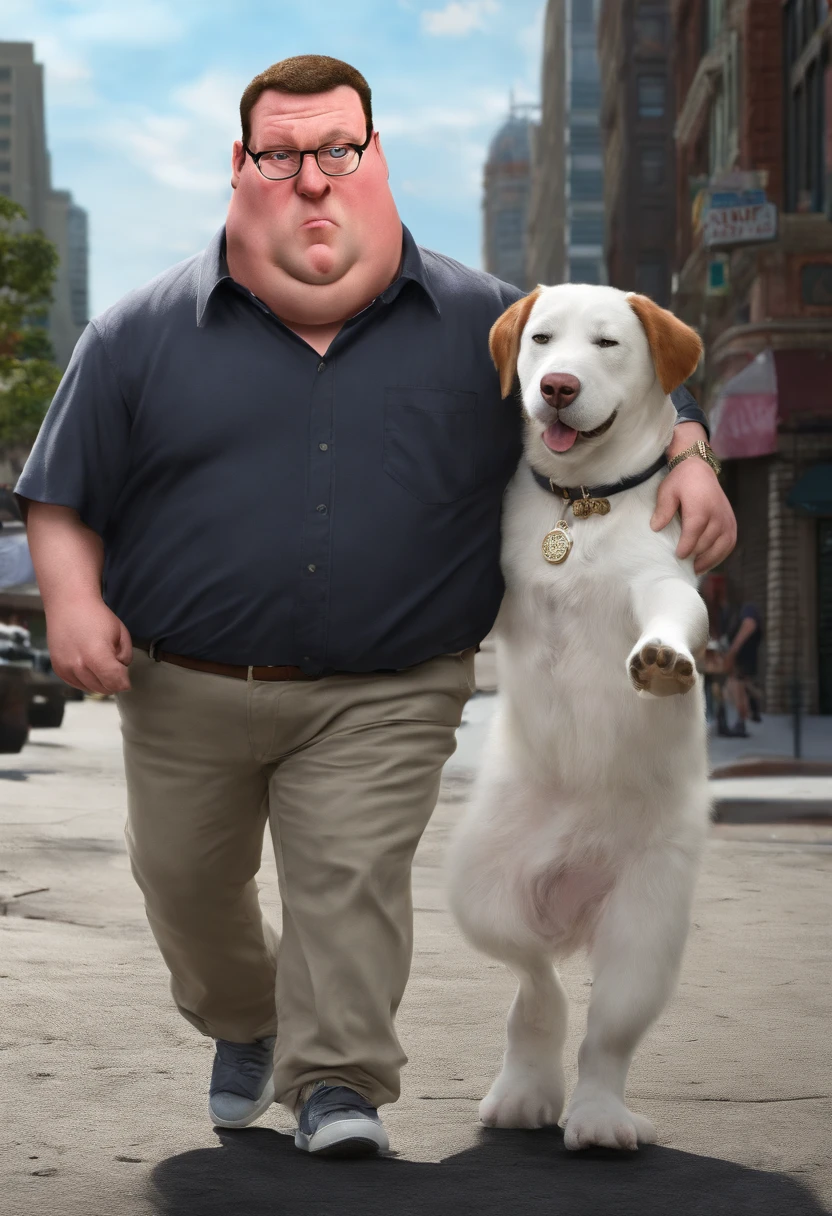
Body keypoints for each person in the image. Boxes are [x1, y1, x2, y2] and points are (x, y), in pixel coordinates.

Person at [15, 56, 737, 1158]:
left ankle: (337, 1084)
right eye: (281, 153)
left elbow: (612, 357)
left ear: (376, 154)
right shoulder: (137, 332)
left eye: (337, 149)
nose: (311, 176)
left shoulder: (484, 320)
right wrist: (70, 604)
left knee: (348, 884)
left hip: (389, 686)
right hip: (181, 683)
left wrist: (688, 447)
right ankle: (246, 1017)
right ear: (241, 166)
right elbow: (61, 494)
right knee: (186, 887)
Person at [724, 601, 764, 736]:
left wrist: (732, 651)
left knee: (736, 686)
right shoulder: (732, 613)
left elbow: (750, 624)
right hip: (740, 661)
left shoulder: (746, 608)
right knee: (736, 687)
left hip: (744, 660)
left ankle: (743, 720)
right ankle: (750, 707)